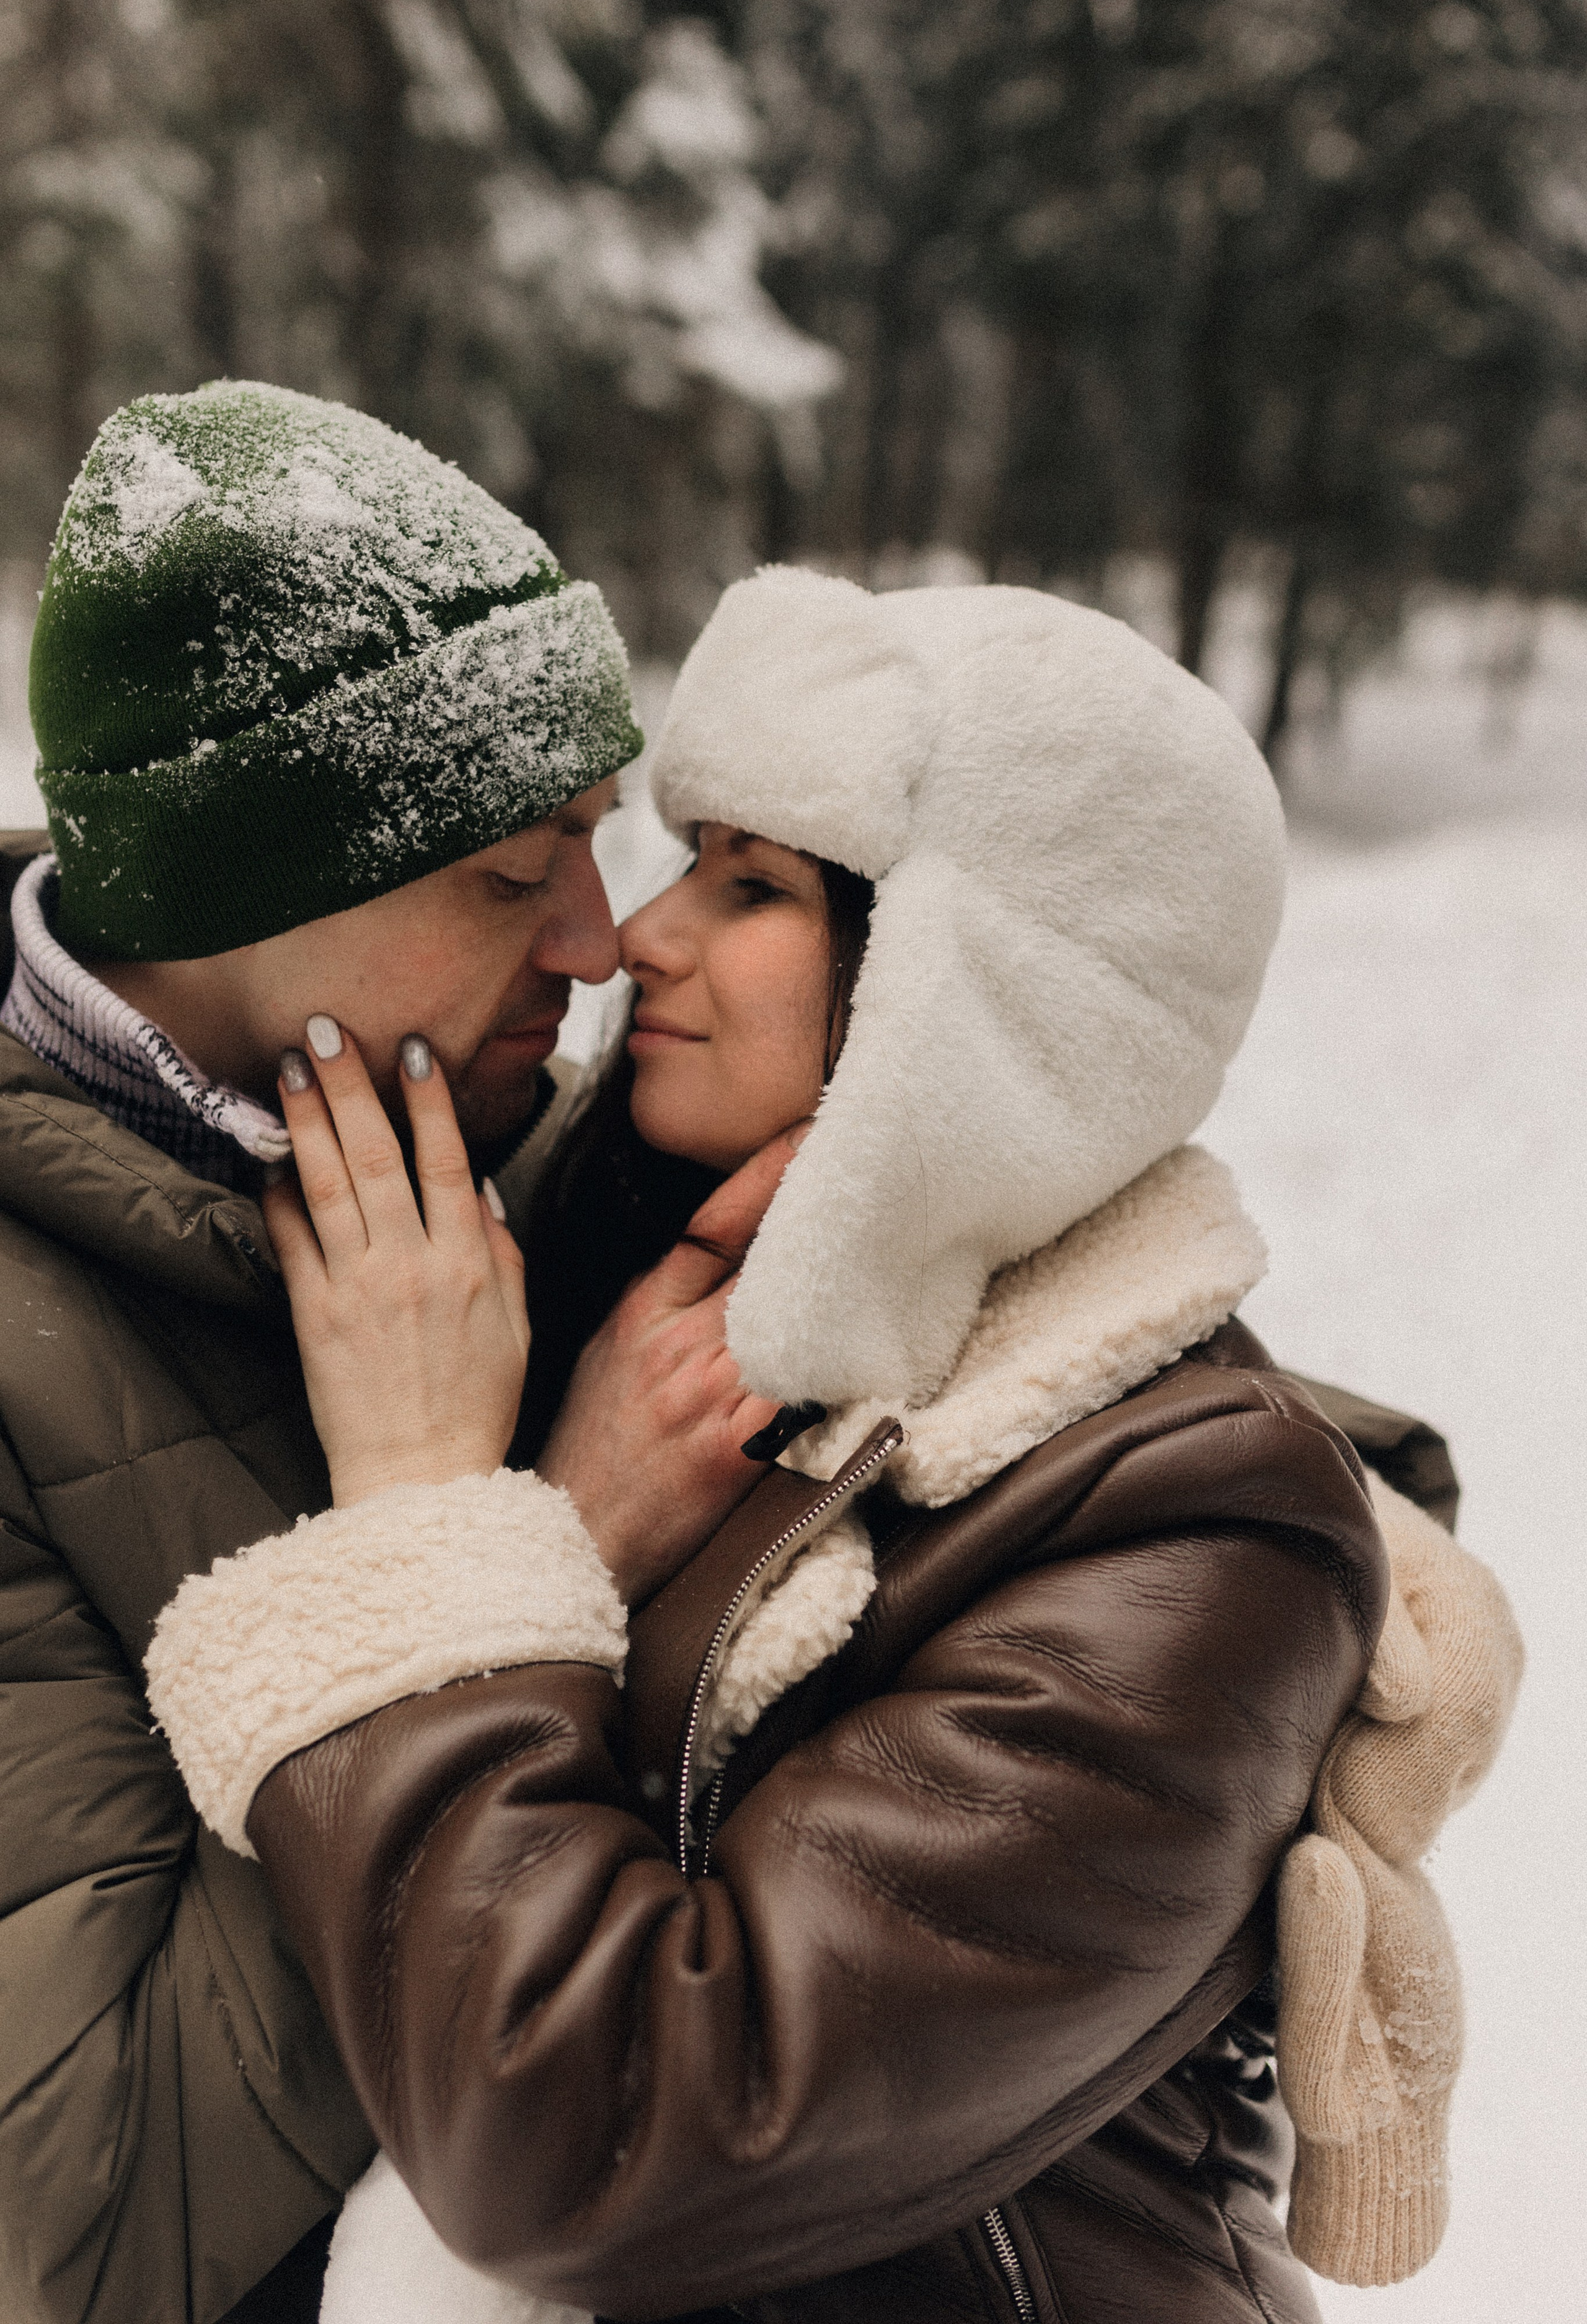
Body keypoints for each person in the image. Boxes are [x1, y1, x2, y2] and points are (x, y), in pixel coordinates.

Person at [146, 569, 1521, 2324]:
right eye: (682, 857)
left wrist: (438, 1520)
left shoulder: (1194, 1553)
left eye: (754, 884)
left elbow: (604, 2143)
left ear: (978, 989)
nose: (642, 934)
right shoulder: (623, 1280)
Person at [0, 379, 763, 2324]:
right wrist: (509, 1548)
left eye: (597, 848)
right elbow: (85, 2226)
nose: (599, 947)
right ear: (253, 892)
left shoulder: (457, 1137)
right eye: (515, 875)